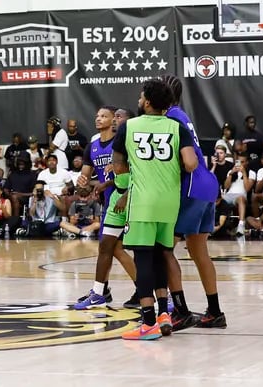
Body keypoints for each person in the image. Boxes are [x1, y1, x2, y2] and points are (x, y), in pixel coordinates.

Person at [112, 78, 198, 340]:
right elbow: (191, 163)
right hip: (169, 202)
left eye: (140, 97)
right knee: (163, 253)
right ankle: (163, 314)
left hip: (143, 202)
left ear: (147, 102)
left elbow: (118, 166)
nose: (138, 100)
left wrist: (131, 177)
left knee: (143, 258)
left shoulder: (129, 126)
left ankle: (148, 322)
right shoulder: (176, 127)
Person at [161, 74, 226, 331]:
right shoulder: (182, 114)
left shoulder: (170, 118)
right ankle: (214, 311)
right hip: (207, 185)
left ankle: (181, 310)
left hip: (190, 186)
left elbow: (185, 161)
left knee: (164, 250)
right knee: (199, 252)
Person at [72, 108, 138, 309]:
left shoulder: (121, 142)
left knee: (113, 248)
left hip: (124, 199)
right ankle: (104, 289)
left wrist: (106, 184)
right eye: (97, 116)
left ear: (113, 121)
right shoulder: (91, 147)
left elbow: (126, 175)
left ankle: (135, 288)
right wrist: (82, 182)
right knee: (110, 248)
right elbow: (85, 180)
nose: (98, 118)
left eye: (104, 116)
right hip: (108, 202)